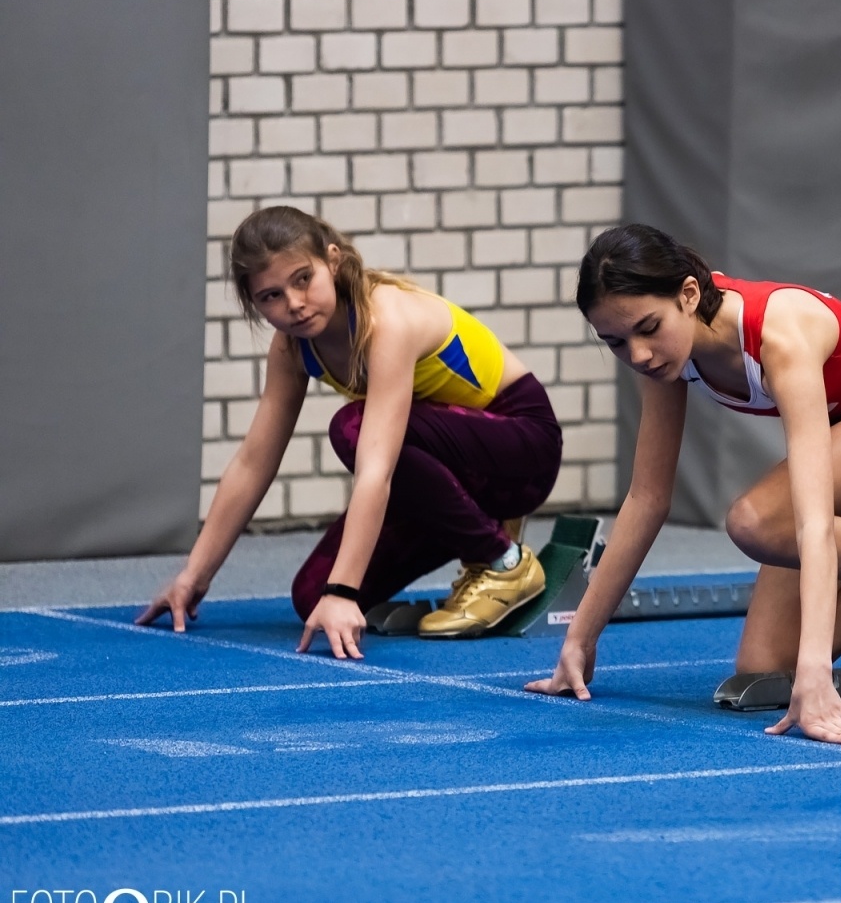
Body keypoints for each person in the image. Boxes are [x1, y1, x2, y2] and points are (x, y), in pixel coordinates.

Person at [525, 224, 841, 743]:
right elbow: (647, 497)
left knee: (756, 521)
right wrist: (580, 639)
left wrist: (818, 676)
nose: (639, 354)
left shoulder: (779, 334)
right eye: (616, 342)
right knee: (766, 668)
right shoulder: (665, 354)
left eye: (648, 328)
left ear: (689, 294)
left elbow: (812, 525)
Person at [137, 206, 562, 656]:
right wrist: (194, 576)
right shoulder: (292, 348)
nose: (294, 303)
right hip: (451, 462)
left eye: (303, 279)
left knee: (352, 429)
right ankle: (488, 527)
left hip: (523, 449)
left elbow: (376, 466)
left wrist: (344, 593)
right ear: (254, 304)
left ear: (333, 261)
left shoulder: (387, 320)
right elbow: (253, 461)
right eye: (271, 296)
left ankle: (504, 562)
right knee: (310, 596)